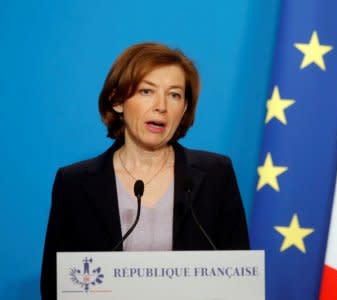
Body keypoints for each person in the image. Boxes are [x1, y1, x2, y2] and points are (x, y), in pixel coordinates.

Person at [40, 42, 249, 299]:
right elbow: (55, 286)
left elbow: (239, 281)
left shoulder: (217, 175)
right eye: (146, 91)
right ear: (117, 101)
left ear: (183, 109)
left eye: (174, 95)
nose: (161, 105)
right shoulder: (74, 184)